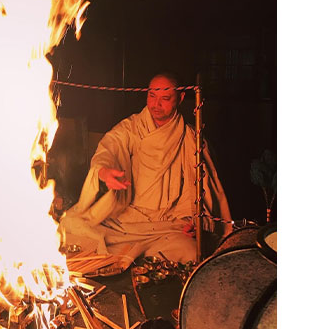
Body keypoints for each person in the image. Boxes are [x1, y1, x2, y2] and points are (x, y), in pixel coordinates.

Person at [59, 73, 231, 265]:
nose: (156, 104)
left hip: (168, 225)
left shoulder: (191, 138)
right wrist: (103, 171)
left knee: (190, 253)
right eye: (152, 96)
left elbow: (201, 193)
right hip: (126, 221)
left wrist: (195, 222)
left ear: (181, 98)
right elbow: (110, 147)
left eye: (165, 98)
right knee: (71, 228)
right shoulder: (132, 127)